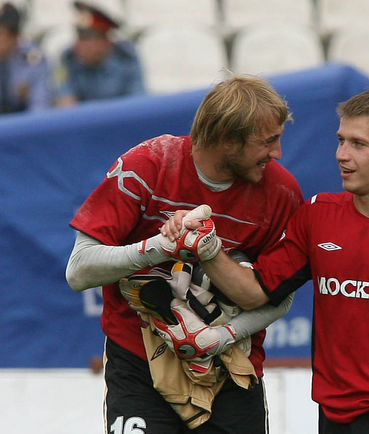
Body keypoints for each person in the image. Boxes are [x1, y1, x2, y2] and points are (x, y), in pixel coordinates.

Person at [161, 88, 369, 433]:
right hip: (333, 413)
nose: (341, 155)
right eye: (341, 140)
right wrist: (208, 247)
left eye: (358, 144)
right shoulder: (317, 215)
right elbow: (256, 292)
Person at [65, 74, 303, 432]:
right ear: (226, 139)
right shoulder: (147, 165)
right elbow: (78, 270)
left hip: (230, 370)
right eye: (267, 142)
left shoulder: (282, 192)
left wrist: (219, 337)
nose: (277, 153)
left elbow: (279, 298)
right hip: (139, 362)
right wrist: (159, 248)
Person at [55, 1, 144, 106]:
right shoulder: (66, 59)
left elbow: (137, 102)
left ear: (105, 41)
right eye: (79, 38)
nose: (79, 45)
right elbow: (65, 101)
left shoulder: (127, 58)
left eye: (86, 39)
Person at [0, 2, 52, 113]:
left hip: (24, 125)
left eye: (2, 35)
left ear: (15, 37)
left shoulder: (32, 58)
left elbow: (39, 106)